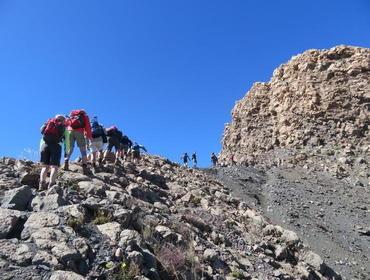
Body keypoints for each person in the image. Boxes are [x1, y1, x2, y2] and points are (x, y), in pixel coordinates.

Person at [39, 115, 66, 190]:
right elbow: (66, 139)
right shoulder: (63, 126)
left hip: (45, 145)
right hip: (56, 146)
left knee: (45, 167)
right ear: (63, 120)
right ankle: (51, 185)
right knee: (54, 166)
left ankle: (41, 184)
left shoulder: (48, 122)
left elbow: (41, 130)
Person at [64, 109, 92, 175]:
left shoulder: (71, 115)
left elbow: (66, 123)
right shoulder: (85, 116)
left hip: (70, 131)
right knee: (83, 151)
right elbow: (88, 127)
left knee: (70, 148)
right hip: (80, 132)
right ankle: (84, 168)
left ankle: (66, 160)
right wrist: (89, 136)